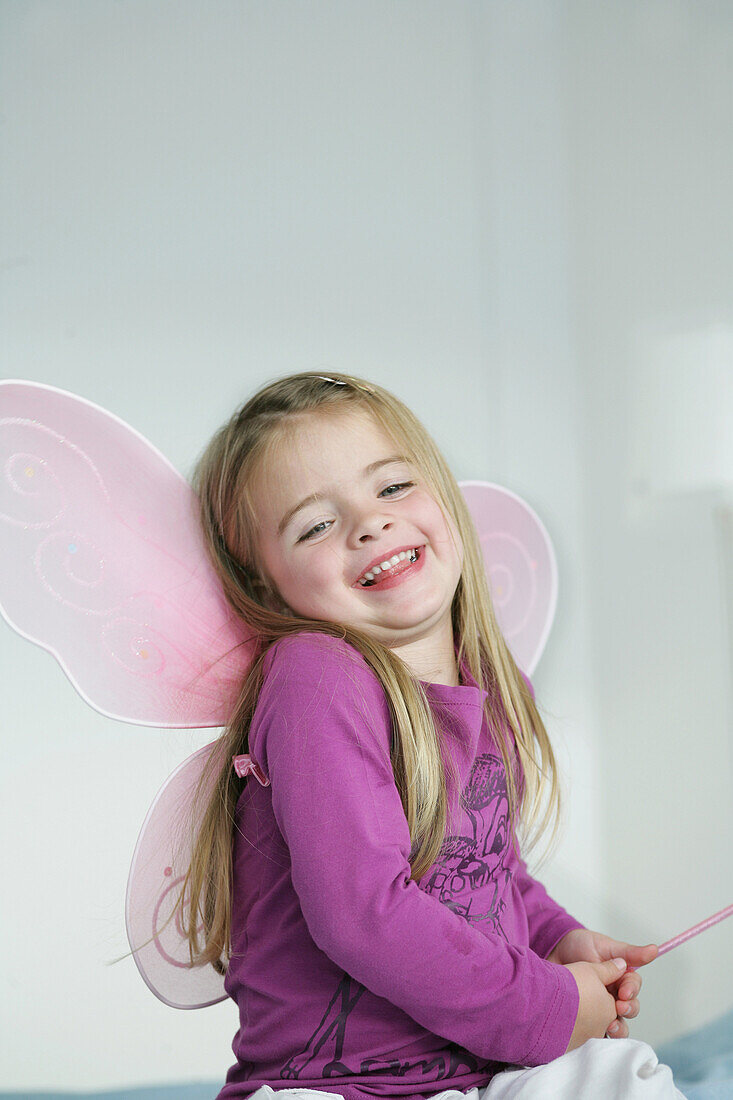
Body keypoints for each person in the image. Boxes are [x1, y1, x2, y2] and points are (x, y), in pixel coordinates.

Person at [178, 371, 685, 1099]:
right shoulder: (315, 678)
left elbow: (486, 867)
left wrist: (555, 941)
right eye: (314, 525)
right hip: (333, 1087)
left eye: (390, 488)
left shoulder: (487, 679)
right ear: (265, 587)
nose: (369, 524)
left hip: (487, 1072)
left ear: (441, 494)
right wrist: (550, 1005)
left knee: (624, 1080)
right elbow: (362, 915)